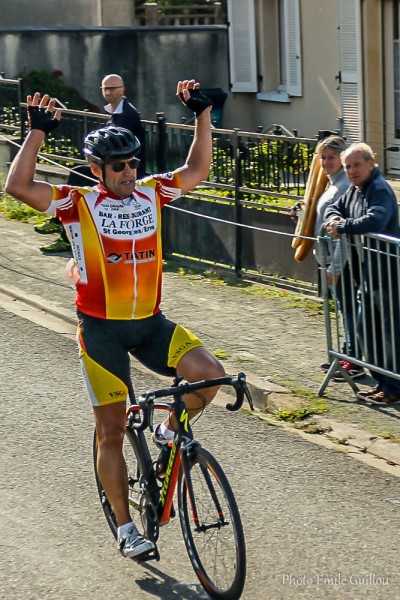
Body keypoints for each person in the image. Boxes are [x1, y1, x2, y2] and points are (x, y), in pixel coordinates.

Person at [5, 80, 224, 559]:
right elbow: (17, 187)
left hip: (150, 324)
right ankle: (127, 529)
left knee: (210, 375)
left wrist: (203, 115)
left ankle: (169, 430)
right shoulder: (77, 202)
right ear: (96, 170)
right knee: (111, 430)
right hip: (101, 331)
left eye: (133, 163)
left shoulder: (152, 193)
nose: (129, 171)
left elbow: (198, 169)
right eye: (119, 166)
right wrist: (36, 133)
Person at [324, 142, 400, 404]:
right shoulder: (355, 189)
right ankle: (382, 382)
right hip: (367, 275)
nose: (352, 171)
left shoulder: (378, 188)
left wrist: (343, 226)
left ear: (371, 164)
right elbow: (335, 206)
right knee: (364, 330)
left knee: (389, 334)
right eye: (348, 166)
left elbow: (376, 219)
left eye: (357, 165)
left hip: (387, 274)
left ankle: (394, 388)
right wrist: (334, 219)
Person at [313, 135, 364, 381]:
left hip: (343, 261)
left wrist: (335, 266)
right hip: (330, 257)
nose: (325, 162)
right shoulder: (332, 182)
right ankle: (345, 354)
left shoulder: (344, 186)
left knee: (349, 309)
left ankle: (353, 361)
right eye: (323, 158)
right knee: (344, 309)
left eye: (331, 157)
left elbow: (343, 232)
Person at [101, 73, 146, 177]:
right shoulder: (117, 112)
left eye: (112, 89)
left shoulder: (128, 114)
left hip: (128, 171)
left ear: (121, 90)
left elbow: (118, 146)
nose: (108, 92)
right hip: (117, 167)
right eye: (105, 89)